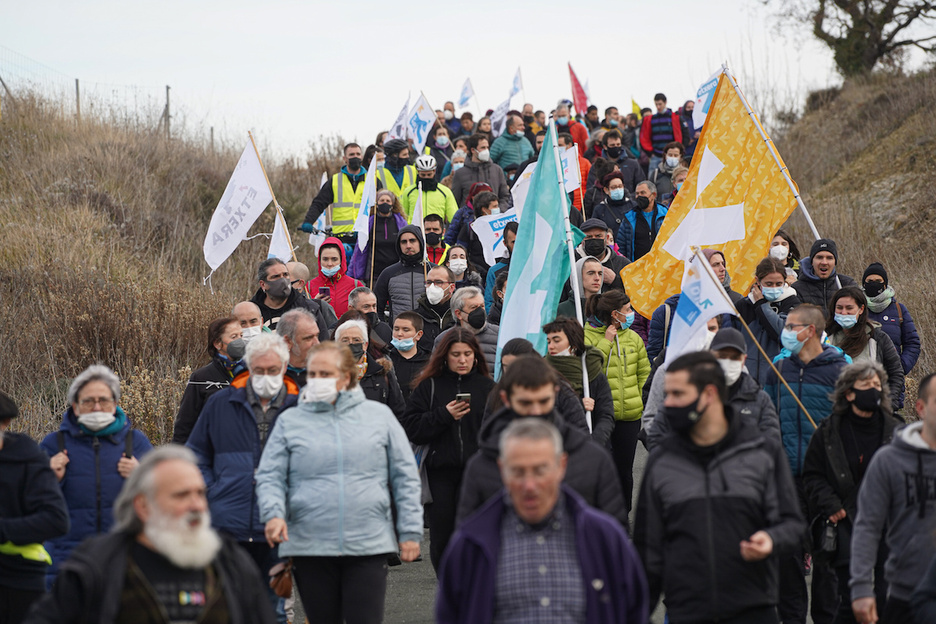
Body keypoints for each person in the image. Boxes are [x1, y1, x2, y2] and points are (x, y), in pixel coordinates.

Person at [257, 341, 422, 623]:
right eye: (313, 374)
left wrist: (409, 530)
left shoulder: (378, 417)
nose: (318, 381)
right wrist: (272, 514)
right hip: (310, 545)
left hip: (367, 543)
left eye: (326, 374)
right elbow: (270, 474)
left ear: (346, 377)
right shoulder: (290, 421)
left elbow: (405, 475)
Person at [634, 352, 804, 624]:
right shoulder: (662, 461)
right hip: (686, 611)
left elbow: (793, 525)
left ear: (709, 393)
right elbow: (648, 550)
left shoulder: (762, 451)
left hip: (754, 609)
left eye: (678, 394)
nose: (668, 403)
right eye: (667, 394)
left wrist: (771, 540)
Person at [26, 445, 276, 624]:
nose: (197, 505)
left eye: (200, 493)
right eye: (181, 495)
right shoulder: (95, 566)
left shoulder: (231, 562)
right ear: (143, 506)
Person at [437, 418, 649, 624]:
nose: (530, 485)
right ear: (502, 469)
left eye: (540, 470)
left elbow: (634, 612)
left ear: (561, 466)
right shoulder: (470, 545)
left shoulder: (605, 538)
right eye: (518, 471)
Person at [185, 333, 298, 619]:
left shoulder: (299, 409)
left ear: (284, 368)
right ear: (248, 367)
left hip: (278, 528)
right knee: (227, 607)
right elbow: (196, 455)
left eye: (273, 370)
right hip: (228, 525)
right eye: (259, 370)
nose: (266, 377)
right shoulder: (221, 404)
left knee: (274, 609)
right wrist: (212, 491)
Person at [457, 355, 627, 525]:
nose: (536, 411)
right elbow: (469, 539)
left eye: (543, 401)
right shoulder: (482, 467)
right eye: (525, 403)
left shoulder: (592, 459)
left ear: (555, 394)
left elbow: (614, 534)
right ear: (506, 400)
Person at [763, 303, 850, 624]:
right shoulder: (779, 371)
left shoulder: (840, 372)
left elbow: (850, 427)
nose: (786, 332)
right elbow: (766, 419)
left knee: (827, 560)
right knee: (787, 559)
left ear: (810, 330)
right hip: (785, 480)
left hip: (825, 482)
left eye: (791, 326)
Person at [802, 362, 899, 624]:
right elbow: (812, 475)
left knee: (885, 598)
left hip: (887, 526)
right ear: (849, 393)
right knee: (849, 600)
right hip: (845, 523)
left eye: (878, 386)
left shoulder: (896, 431)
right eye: (866, 385)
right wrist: (831, 505)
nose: (874, 391)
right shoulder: (829, 431)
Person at [40, 365, 152, 586]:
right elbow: (31, 500)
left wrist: (141, 476)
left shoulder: (135, 442)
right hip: (65, 557)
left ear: (116, 403)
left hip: (125, 556)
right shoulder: (54, 444)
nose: (97, 407)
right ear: (75, 405)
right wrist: (50, 477)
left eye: (104, 400)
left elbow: (162, 497)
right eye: (88, 401)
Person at [400, 329, 495, 572]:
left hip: (478, 473)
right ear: (445, 356)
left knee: (476, 532)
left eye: (467, 354)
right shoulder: (429, 386)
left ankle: (473, 585)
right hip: (440, 474)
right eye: (456, 355)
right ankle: (449, 586)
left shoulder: (487, 387)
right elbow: (412, 428)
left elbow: (502, 430)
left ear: (476, 356)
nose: (462, 360)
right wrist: (444, 415)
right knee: (442, 537)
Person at [850, 373, 936, 624]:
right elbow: (867, 526)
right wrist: (861, 588)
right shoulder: (889, 460)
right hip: (904, 594)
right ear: (920, 408)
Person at [644, 327, 782, 451]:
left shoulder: (758, 398)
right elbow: (657, 431)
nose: (728, 362)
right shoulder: (690, 394)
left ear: (744, 359)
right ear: (710, 356)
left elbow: (772, 443)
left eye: (734, 357)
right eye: (722, 356)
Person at [0, 391, 68, 624]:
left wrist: (3, 531)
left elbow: (56, 519)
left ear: (5, 423)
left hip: (19, 581)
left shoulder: (27, 460)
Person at [583, 290, 650, 511]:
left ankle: (624, 515)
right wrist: (606, 342)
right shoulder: (587, 337)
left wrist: (637, 399)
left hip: (630, 416)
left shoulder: (634, 338)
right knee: (603, 469)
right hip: (602, 416)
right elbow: (590, 372)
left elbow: (644, 373)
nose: (632, 314)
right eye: (628, 310)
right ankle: (604, 514)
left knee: (625, 470)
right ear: (615, 314)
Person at [825, 286, 905, 410]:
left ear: (861, 309)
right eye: (839, 308)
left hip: (870, 410)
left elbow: (896, 373)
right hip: (831, 409)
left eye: (849, 308)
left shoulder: (878, 338)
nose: (843, 313)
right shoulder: (825, 338)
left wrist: (888, 405)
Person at [172, 317, 247, 444]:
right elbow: (185, 424)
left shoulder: (254, 372)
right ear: (218, 343)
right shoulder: (201, 378)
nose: (240, 341)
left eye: (241, 335)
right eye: (234, 337)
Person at [543, 316, 615, 447]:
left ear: (573, 343)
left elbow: (606, 414)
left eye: (556, 340)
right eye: (548, 341)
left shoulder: (593, 371)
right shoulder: (543, 373)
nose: (551, 346)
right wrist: (577, 406)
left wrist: (593, 443)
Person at [735, 257, 802, 385]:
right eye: (769, 284)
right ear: (758, 281)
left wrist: (761, 305)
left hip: (780, 376)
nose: (774, 288)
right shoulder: (743, 305)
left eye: (778, 284)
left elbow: (781, 332)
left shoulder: (792, 303)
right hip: (748, 376)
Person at [334, 316, 406, 419]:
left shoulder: (382, 373)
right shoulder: (326, 375)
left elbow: (398, 412)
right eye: (345, 340)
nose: (351, 344)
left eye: (356, 340)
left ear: (365, 345)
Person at [300, 142, 367, 245]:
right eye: (352, 155)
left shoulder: (372, 181)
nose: (355, 157)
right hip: (341, 238)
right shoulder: (335, 181)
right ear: (345, 158)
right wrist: (308, 221)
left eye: (358, 154)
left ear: (361, 156)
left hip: (365, 237)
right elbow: (319, 203)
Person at [862, 262, 921, 377]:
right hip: (862, 378)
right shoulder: (856, 308)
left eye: (879, 281)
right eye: (870, 281)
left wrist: (901, 367)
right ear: (864, 284)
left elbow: (912, 343)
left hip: (892, 380)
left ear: (885, 284)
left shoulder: (899, 309)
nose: (874, 284)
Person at [249, 258, 331, 335]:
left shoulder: (309, 309)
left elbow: (323, 345)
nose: (283, 280)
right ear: (263, 284)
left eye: (285, 275)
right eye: (276, 276)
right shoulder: (251, 312)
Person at [347, 189, 408, 286]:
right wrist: (352, 273)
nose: (385, 203)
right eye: (382, 200)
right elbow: (359, 250)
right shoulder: (369, 223)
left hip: (396, 273)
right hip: (374, 274)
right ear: (376, 203)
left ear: (392, 204)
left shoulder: (400, 223)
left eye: (388, 201)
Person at [373, 225, 433, 322]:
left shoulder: (433, 271)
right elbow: (376, 308)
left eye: (412, 240)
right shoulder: (388, 273)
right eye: (404, 242)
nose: (408, 245)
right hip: (399, 334)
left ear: (420, 242)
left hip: (429, 335)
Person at [435, 286, 500, 373]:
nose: (480, 311)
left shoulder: (499, 335)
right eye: (473, 307)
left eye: (482, 306)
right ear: (458, 314)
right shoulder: (443, 339)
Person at [307, 236, 363, 318]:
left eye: (334, 259)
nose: (329, 264)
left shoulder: (355, 285)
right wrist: (313, 305)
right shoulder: (309, 286)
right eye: (325, 259)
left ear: (341, 260)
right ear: (319, 260)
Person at [792, 238, 857, 308]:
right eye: (819, 257)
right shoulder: (796, 289)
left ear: (835, 262)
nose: (824, 262)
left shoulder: (848, 284)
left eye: (829, 258)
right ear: (812, 262)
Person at [451, 134, 511, 208]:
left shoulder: (497, 170)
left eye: (487, 147)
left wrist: (500, 210)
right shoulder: (460, 174)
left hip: (494, 217)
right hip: (471, 218)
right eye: (483, 148)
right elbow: (455, 201)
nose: (486, 150)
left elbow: (504, 196)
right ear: (473, 150)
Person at [615, 180, 668, 262]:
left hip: (661, 266)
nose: (639, 196)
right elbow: (621, 246)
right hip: (637, 267)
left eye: (643, 193)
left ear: (653, 195)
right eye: (637, 193)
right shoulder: (629, 218)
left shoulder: (666, 215)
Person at [401, 155, 458, 225]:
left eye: (429, 174)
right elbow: (402, 217)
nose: (426, 177)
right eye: (423, 175)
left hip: (436, 233)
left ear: (434, 171)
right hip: (415, 233)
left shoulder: (445, 192)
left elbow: (454, 218)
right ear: (417, 172)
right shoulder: (408, 192)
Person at [576, 218, 630, 292]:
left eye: (598, 236)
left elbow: (635, 293)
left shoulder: (623, 264)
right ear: (581, 239)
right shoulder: (571, 263)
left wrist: (615, 281)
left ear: (606, 238)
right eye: (589, 237)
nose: (594, 240)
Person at [388, 311, 430, 405]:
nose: (399, 334)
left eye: (405, 330)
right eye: (396, 329)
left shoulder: (428, 362)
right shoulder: (385, 359)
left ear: (418, 335)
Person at [588, 130, 645, 195]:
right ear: (605, 147)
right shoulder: (598, 166)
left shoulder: (633, 164)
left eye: (618, 144)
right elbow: (591, 189)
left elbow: (641, 186)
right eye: (612, 145)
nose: (616, 147)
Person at [456, 191, 498, 279]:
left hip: (497, 274)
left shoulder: (499, 226)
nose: (498, 209)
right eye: (494, 206)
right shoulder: (470, 228)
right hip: (478, 275)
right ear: (484, 209)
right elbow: (461, 251)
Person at [415, 266, 457, 350]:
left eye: (438, 282)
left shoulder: (460, 315)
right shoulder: (415, 317)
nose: (432, 287)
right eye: (429, 282)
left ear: (451, 287)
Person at [276, 308, 320, 387]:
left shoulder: (328, 372)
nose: (317, 343)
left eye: (317, 336)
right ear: (287, 341)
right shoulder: (271, 374)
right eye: (309, 338)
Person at [639, 93, 682, 173]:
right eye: (656, 104)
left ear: (665, 103)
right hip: (656, 155)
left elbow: (683, 135)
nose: (658, 107)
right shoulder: (651, 119)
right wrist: (650, 153)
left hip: (672, 156)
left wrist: (678, 151)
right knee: (653, 179)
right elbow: (644, 138)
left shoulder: (675, 118)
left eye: (660, 104)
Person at [445, 181, 492, 245]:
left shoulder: (494, 213)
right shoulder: (462, 213)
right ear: (473, 197)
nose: (487, 199)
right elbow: (450, 236)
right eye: (483, 195)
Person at [591, 171, 637, 237]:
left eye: (620, 186)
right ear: (606, 190)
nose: (618, 189)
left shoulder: (633, 206)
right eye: (614, 187)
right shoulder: (600, 209)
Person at [483, 221, 516, 311]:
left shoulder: (536, 264)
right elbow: (489, 304)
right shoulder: (495, 271)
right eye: (514, 242)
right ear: (505, 243)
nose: (518, 246)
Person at [558, 132, 592, 214]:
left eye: (560, 145)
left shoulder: (584, 163)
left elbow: (590, 184)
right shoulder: (554, 164)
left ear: (569, 145)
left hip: (581, 207)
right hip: (561, 207)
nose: (558, 148)